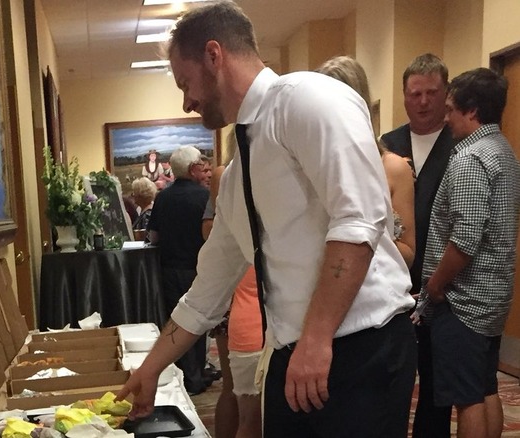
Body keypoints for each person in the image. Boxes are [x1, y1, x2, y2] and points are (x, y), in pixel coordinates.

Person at [116, 3, 417, 437]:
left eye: (185, 83)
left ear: (214, 55)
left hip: (359, 347)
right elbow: (206, 291)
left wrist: (315, 341)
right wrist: (150, 369)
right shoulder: (239, 173)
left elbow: (359, 220)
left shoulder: (309, 99)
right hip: (291, 350)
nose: (187, 102)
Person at [416, 67, 520, 438]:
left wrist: (435, 285)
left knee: (467, 398)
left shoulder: (471, 159)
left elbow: (464, 239)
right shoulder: (504, 152)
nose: (445, 118)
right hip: (492, 298)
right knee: (483, 386)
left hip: (464, 303)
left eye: (449, 109)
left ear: (471, 110)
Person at [381, 53, 455, 438]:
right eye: (415, 93)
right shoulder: (386, 145)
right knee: (392, 380)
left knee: (437, 382)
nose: (423, 101)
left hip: (445, 283)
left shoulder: (459, 144)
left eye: (432, 92)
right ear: (404, 96)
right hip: (393, 281)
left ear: (446, 94)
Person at [316, 56, 416, 267]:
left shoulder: (393, 168)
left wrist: (363, 233)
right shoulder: (312, 165)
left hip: (375, 287)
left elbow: (408, 254)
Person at [202, 128, 264, 438]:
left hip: (242, 292)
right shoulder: (226, 176)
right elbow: (213, 233)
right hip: (241, 291)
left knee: (237, 390)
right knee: (242, 395)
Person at [146, 145, 211, 395]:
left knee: (178, 323)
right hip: (199, 268)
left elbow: (154, 235)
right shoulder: (205, 197)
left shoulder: (163, 197)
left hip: (170, 269)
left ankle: (185, 376)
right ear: (194, 168)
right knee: (200, 321)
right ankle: (198, 374)